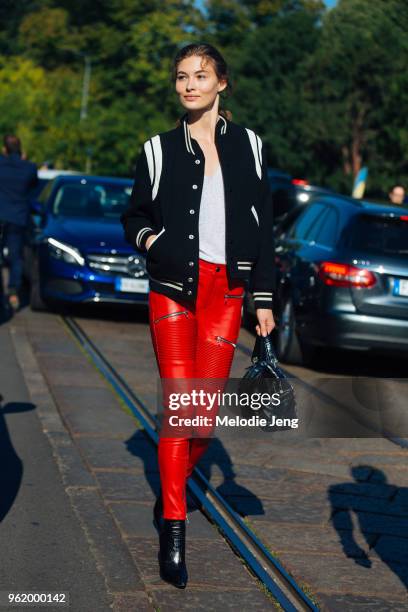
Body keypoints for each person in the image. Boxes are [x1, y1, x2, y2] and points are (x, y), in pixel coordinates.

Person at [120, 42, 276, 589]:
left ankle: (169, 494)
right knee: (178, 408)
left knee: (202, 420)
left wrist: (264, 297)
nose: (189, 85)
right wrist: (154, 242)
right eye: (182, 77)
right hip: (172, 289)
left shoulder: (251, 147)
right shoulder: (157, 150)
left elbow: (263, 229)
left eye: (200, 76)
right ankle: (175, 524)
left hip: (226, 292)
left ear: (221, 85)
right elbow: (133, 215)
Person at [0, 135, 38, 309]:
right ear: (21, 150)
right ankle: (13, 291)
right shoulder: (29, 168)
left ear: (4, 149)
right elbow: (32, 187)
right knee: (16, 257)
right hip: (18, 217)